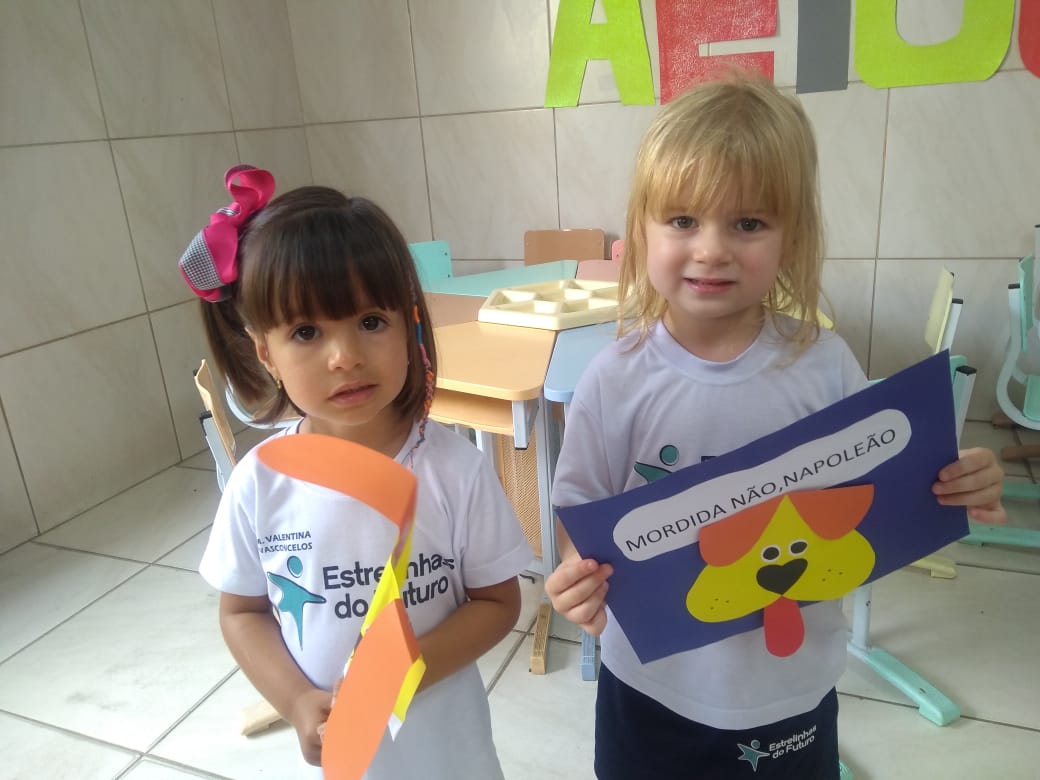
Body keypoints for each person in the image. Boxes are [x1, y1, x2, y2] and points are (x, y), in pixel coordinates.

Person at [545, 73, 1006, 779]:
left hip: (788, 688)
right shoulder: (614, 378)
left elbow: (883, 494)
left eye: (748, 223)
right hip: (649, 686)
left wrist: (957, 481)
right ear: (641, 231)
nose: (712, 249)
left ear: (793, 237)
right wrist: (575, 578)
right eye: (683, 220)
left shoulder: (824, 364)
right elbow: (579, 516)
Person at [183, 166, 533, 779]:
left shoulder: (455, 469)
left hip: (452, 754)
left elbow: (499, 602)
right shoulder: (260, 484)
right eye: (307, 332)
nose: (344, 357)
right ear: (266, 352)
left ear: (409, 325)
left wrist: (404, 669)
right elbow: (241, 612)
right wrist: (295, 701)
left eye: (371, 322)